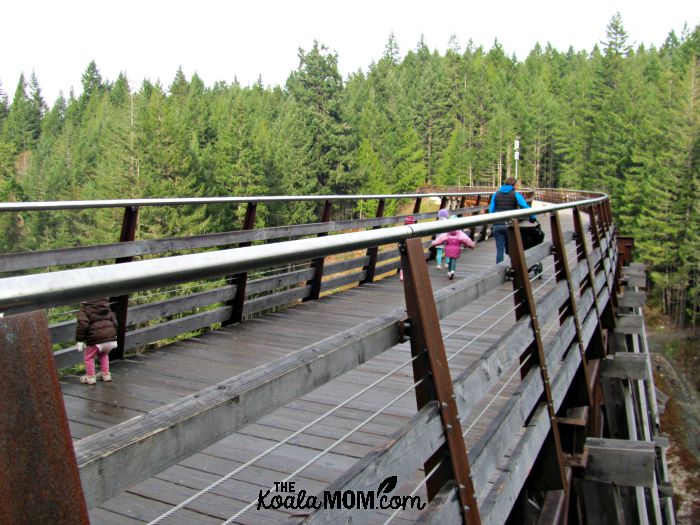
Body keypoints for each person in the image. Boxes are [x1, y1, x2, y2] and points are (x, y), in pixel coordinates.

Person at [488, 177, 536, 264]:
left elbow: (491, 210)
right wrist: (532, 217)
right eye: (517, 184)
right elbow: (525, 207)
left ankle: (498, 270)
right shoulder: (516, 195)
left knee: (500, 249)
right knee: (512, 248)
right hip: (510, 225)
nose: (518, 186)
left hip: (497, 224)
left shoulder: (496, 194)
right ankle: (514, 267)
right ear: (513, 185)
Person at [76, 298, 118, 384]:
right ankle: (106, 374)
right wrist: (114, 335)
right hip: (110, 338)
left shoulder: (85, 310)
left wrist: (80, 340)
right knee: (104, 354)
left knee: (89, 357)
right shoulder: (106, 307)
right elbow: (115, 323)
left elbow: (83, 325)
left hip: (95, 339)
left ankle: (90, 377)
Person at [399, 215, 417, 281]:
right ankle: (409, 274)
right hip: (410, 247)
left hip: (402, 247)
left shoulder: (403, 229)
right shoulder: (413, 230)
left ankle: (402, 275)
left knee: (403, 260)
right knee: (411, 260)